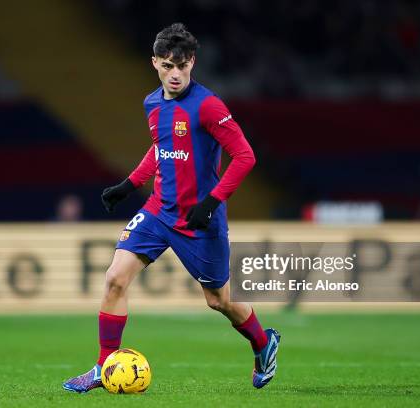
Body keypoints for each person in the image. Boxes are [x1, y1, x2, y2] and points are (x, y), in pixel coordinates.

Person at [63, 23, 280, 393]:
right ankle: (103, 368)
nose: (175, 74)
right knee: (115, 278)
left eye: (181, 65)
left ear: (192, 62)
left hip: (201, 219)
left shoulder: (208, 106)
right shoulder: (152, 103)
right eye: (167, 66)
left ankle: (264, 343)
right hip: (159, 211)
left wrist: (212, 202)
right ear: (155, 64)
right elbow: (160, 149)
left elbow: (245, 156)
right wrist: (129, 184)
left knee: (219, 300)